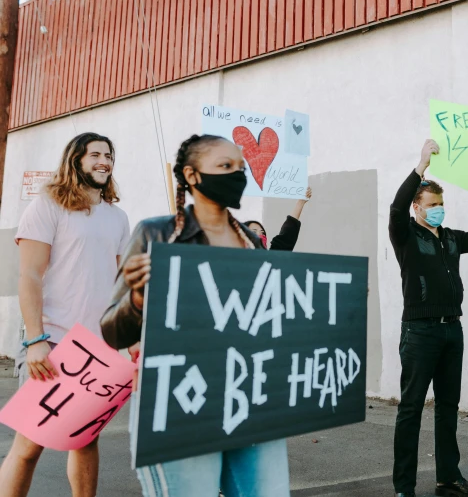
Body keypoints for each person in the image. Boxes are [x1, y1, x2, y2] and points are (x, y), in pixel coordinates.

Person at [100, 134, 290, 497]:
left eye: (240, 166)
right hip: (180, 400)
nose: (236, 174)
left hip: (249, 397)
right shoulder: (155, 234)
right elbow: (112, 332)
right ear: (191, 175)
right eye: (224, 166)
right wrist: (138, 298)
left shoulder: (251, 243)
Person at [0, 132, 131, 497]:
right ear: (75, 160)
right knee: (29, 446)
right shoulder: (48, 206)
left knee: (85, 440)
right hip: (53, 340)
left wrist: (133, 338)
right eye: (95, 155)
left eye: (109, 154)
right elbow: (28, 275)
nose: (104, 161)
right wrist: (35, 339)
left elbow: (121, 285)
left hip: (97, 347)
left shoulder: (117, 217)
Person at [389, 139, 468, 497]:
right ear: (417, 208)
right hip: (419, 332)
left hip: (451, 331)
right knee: (411, 409)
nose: (438, 209)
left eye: (441, 204)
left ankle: (448, 475)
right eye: (432, 205)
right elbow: (396, 208)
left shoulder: (451, 238)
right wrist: (421, 166)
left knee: (447, 407)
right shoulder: (405, 234)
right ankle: (404, 487)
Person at [245, 186, 313, 250]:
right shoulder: (236, 258)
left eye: (263, 233)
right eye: (253, 232)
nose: (260, 235)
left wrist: (300, 202)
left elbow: (286, 236)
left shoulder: (272, 258)